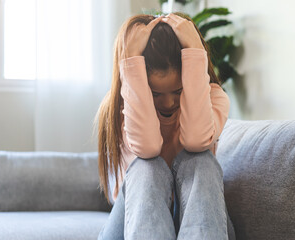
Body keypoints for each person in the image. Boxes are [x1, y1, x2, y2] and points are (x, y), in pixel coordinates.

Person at [94, 12, 236, 240]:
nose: (168, 102)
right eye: (155, 93)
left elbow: (196, 139)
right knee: (147, 167)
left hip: (199, 221)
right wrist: (130, 59)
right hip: (132, 224)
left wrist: (194, 50)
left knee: (200, 161)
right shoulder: (122, 108)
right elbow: (147, 147)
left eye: (178, 91)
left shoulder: (214, 100)